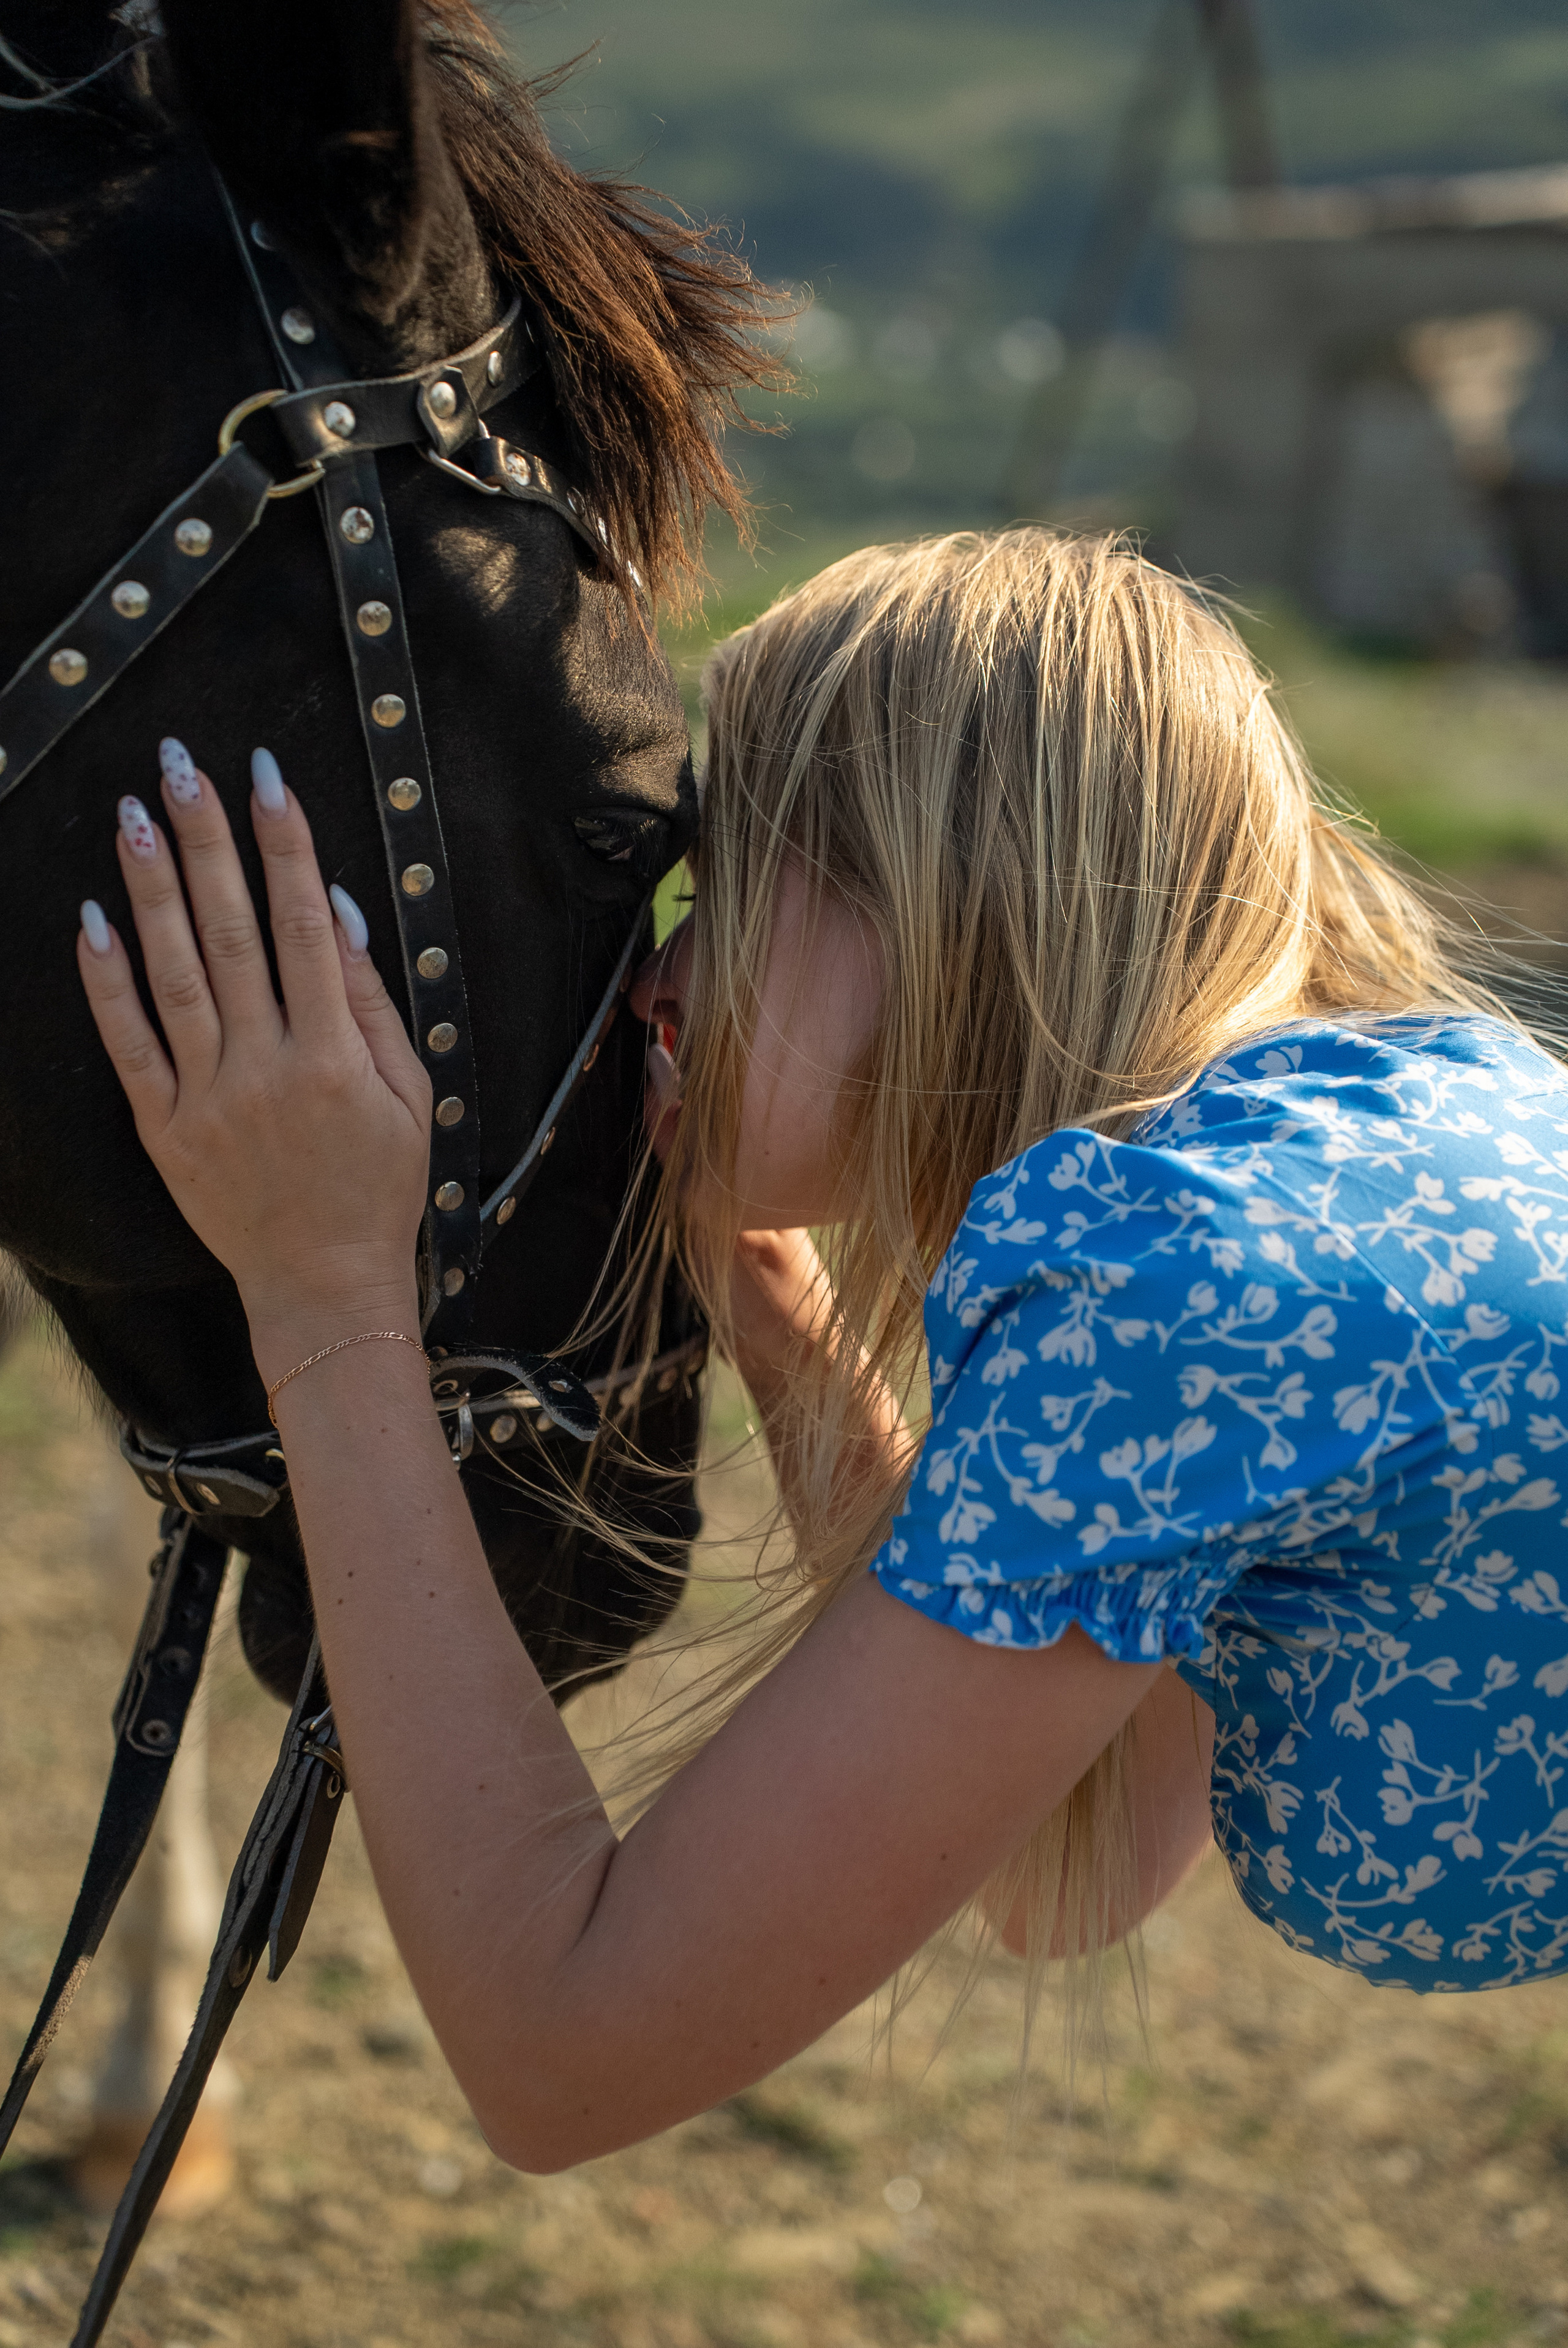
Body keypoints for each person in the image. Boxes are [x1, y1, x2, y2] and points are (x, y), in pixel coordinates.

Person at [76, 530, 1568, 2173]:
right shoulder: (1390, 1137)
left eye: (723, 882)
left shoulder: (1177, 1301)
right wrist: (786, 1322)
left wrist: (324, 1294)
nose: (658, 974)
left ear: (945, 895)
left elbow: (561, 2052)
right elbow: (1067, 1862)